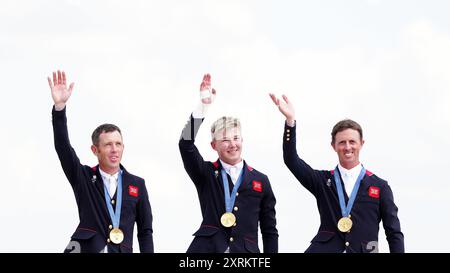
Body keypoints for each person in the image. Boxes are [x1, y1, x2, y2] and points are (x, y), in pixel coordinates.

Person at [269, 93, 404, 253]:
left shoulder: (380, 187)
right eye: (342, 142)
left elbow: (393, 232)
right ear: (333, 146)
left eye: (352, 142)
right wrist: (290, 122)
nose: (347, 147)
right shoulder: (321, 181)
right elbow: (291, 160)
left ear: (361, 143)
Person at [49, 70, 154, 253]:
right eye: (108, 145)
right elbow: (63, 148)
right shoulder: (83, 176)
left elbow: (145, 231)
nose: (114, 149)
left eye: (118, 144)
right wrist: (59, 108)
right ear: (95, 150)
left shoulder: (137, 184)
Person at [178, 74, 278, 253]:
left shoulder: (261, 181)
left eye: (236, 138)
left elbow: (269, 231)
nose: (232, 144)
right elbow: (185, 144)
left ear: (242, 140)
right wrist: (203, 107)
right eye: (225, 140)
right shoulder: (205, 173)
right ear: (213, 145)